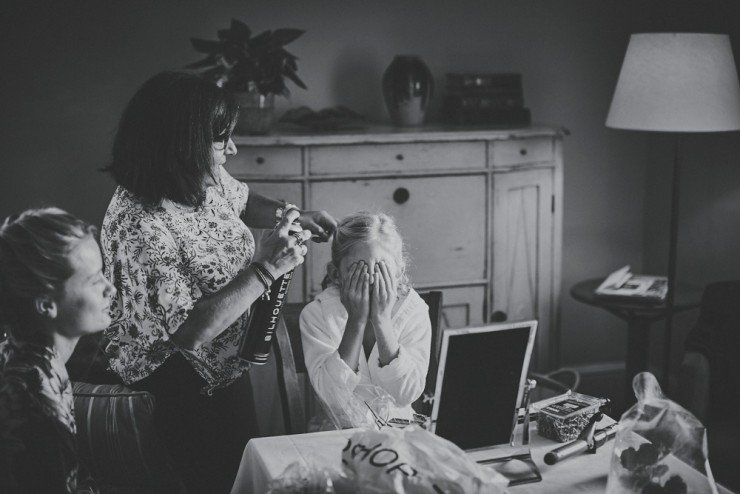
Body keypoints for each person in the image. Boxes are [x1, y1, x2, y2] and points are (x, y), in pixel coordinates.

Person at [100, 71, 336, 493]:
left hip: (224, 372)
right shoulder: (139, 224)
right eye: (221, 139)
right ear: (181, 143)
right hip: (175, 390)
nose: (233, 149)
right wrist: (265, 268)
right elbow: (190, 332)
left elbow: (242, 200)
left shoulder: (197, 176)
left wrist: (294, 214)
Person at [0, 207, 115, 493]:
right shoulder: (33, 398)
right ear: (46, 304)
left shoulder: (34, 354)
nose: (110, 288)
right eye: (93, 279)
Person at [300, 212, 431, 429]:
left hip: (399, 432)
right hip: (337, 433)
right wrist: (356, 321)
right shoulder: (316, 315)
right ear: (336, 274)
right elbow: (332, 399)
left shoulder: (414, 310)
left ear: (399, 270)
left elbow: (406, 393)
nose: (371, 280)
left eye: (381, 270)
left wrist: (382, 321)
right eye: (358, 271)